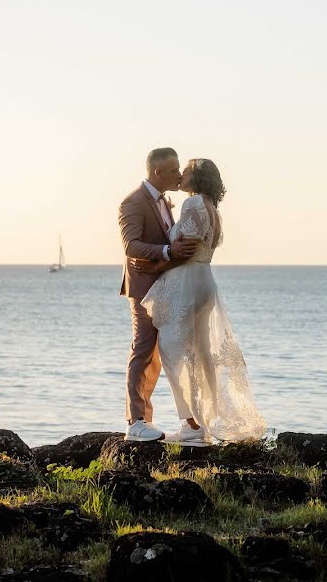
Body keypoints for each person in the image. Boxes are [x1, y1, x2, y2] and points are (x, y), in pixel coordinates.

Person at [135, 158, 266, 445]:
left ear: (198, 178)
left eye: (187, 170)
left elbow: (187, 247)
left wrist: (155, 267)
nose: (181, 173)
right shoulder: (211, 207)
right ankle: (201, 423)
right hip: (204, 282)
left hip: (188, 283)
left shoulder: (192, 204)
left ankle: (193, 426)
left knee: (174, 352)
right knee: (199, 352)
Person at [117, 147, 197, 441]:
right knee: (143, 348)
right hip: (142, 287)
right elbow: (131, 246)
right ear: (157, 172)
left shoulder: (164, 201)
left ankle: (150, 421)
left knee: (158, 355)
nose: (179, 174)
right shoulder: (133, 202)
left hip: (164, 286)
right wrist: (167, 250)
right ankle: (135, 421)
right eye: (175, 170)